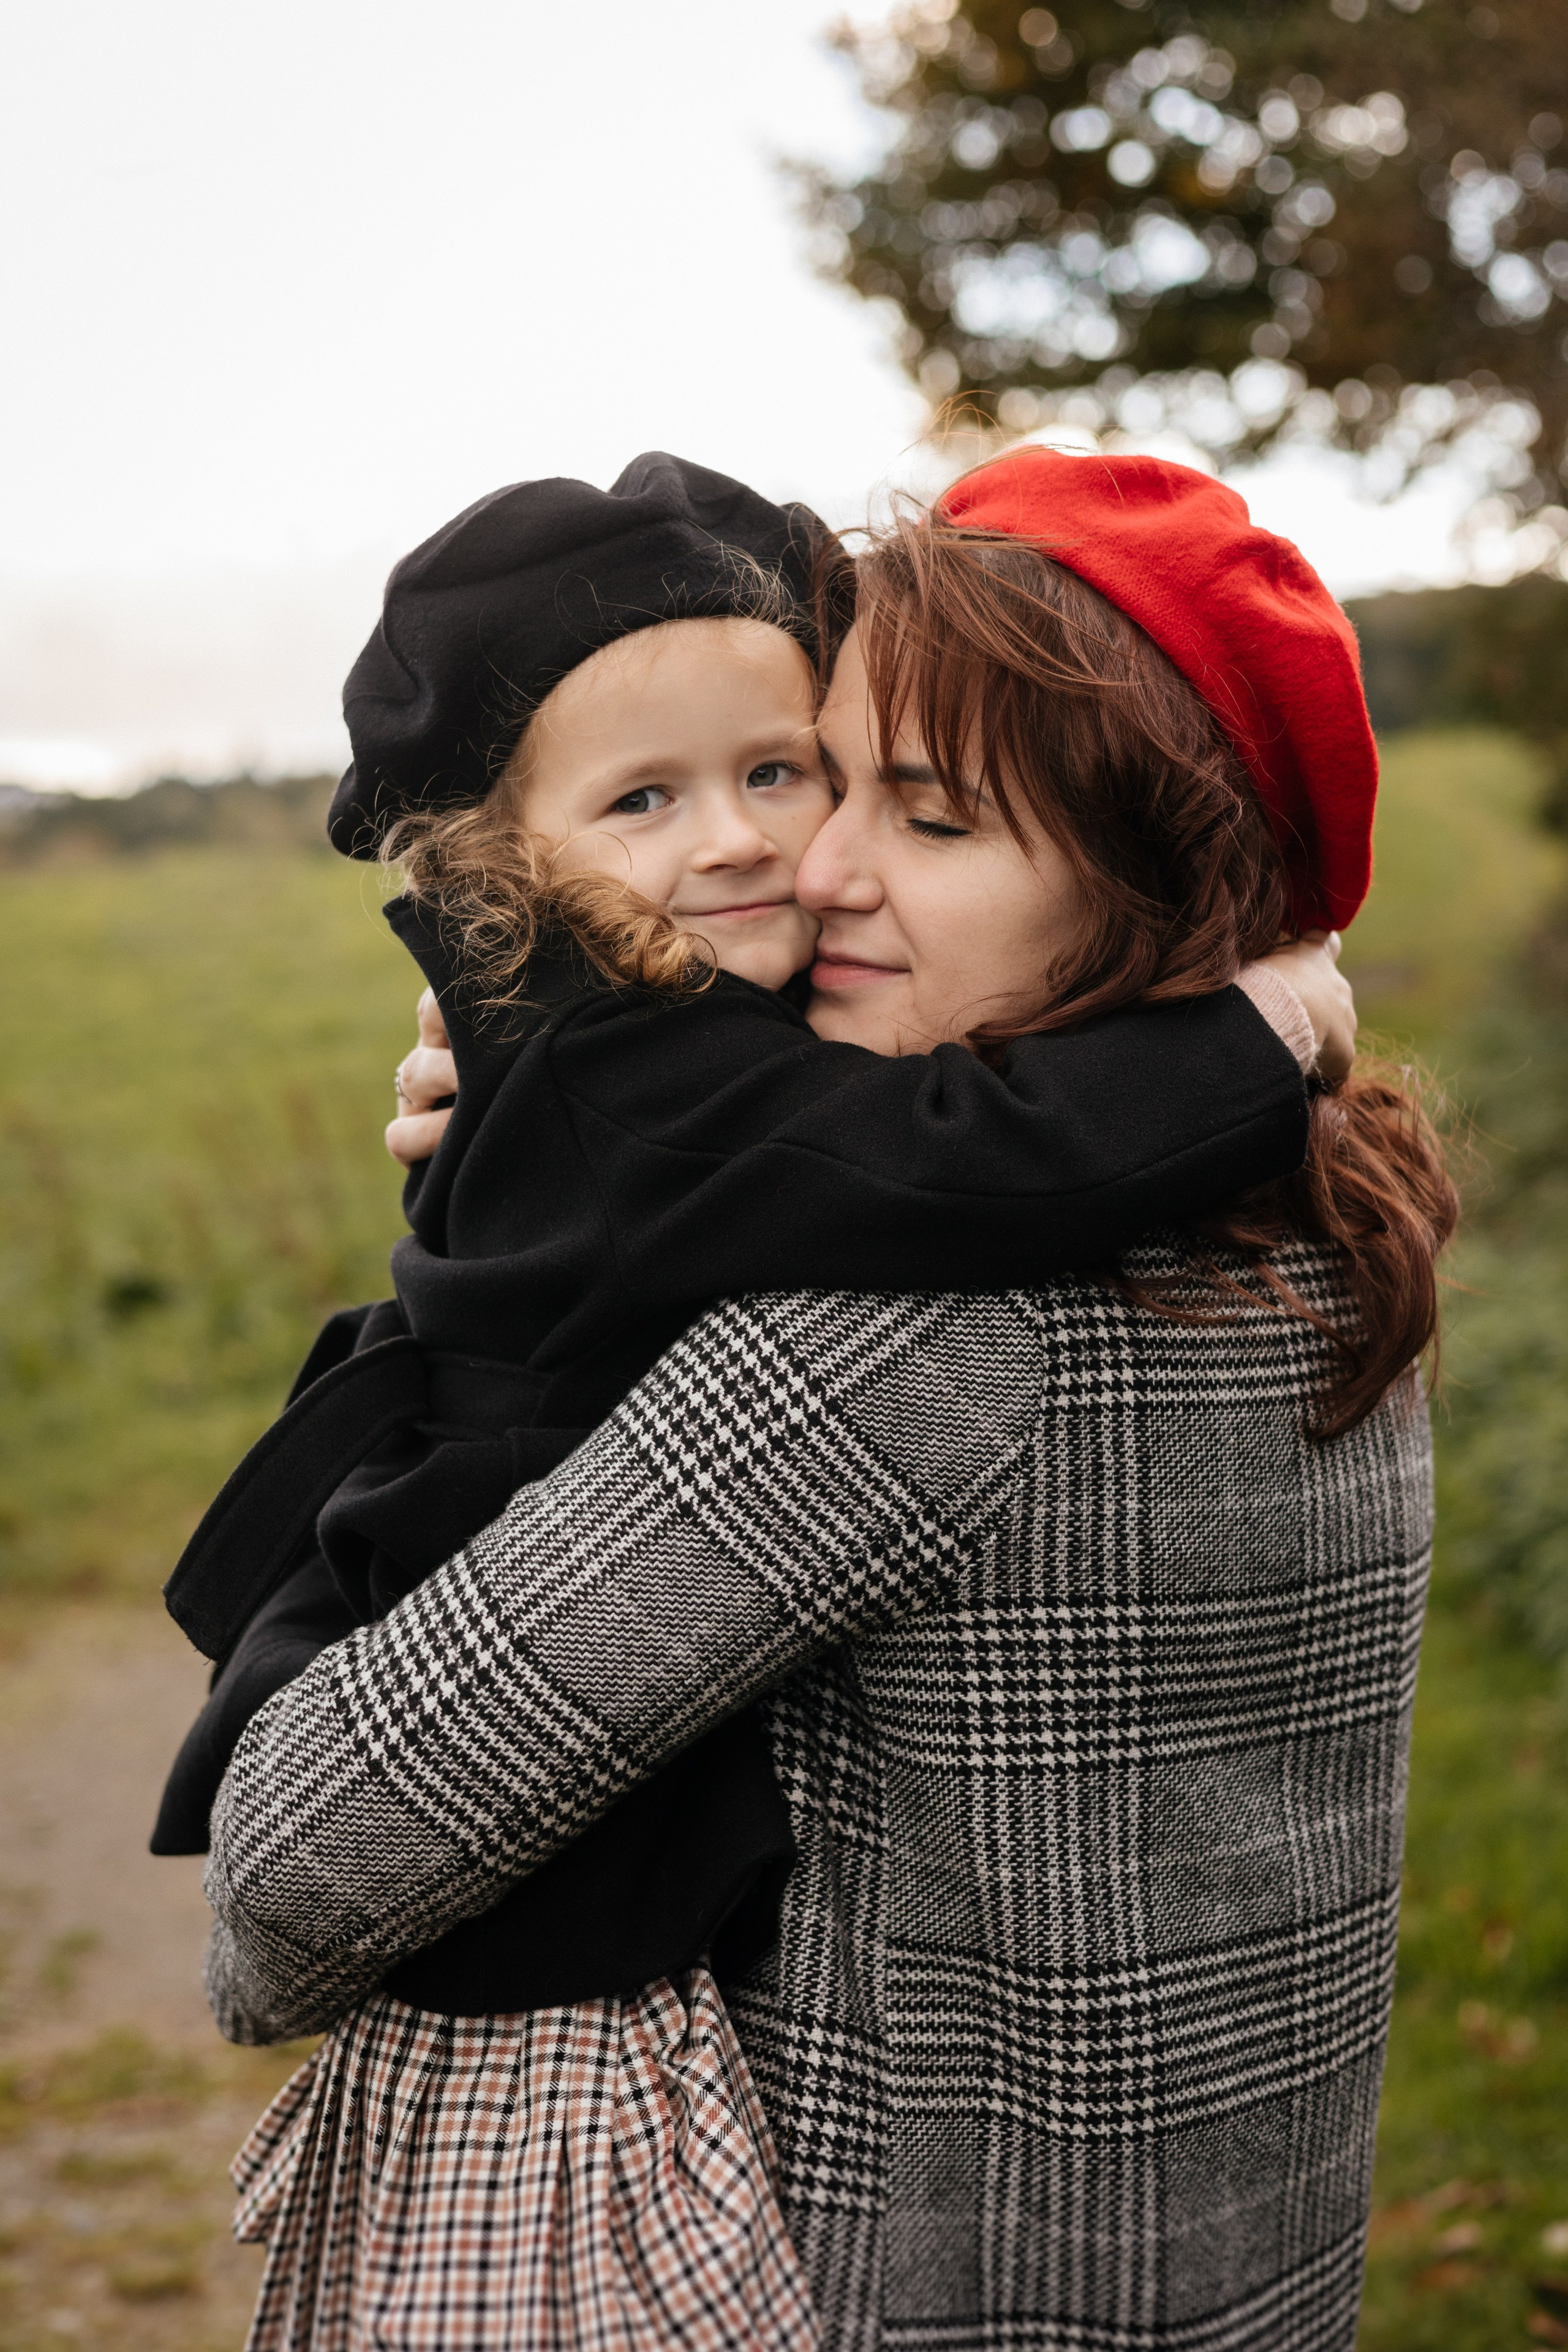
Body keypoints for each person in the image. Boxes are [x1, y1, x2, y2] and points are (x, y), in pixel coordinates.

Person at [201, 447, 1428, 2352]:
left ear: (1158, 886)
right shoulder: (1327, 1247)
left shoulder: (911, 1346)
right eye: (827, 774)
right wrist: (559, 1113)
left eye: (926, 820)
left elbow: (289, 1885)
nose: (812, 863)